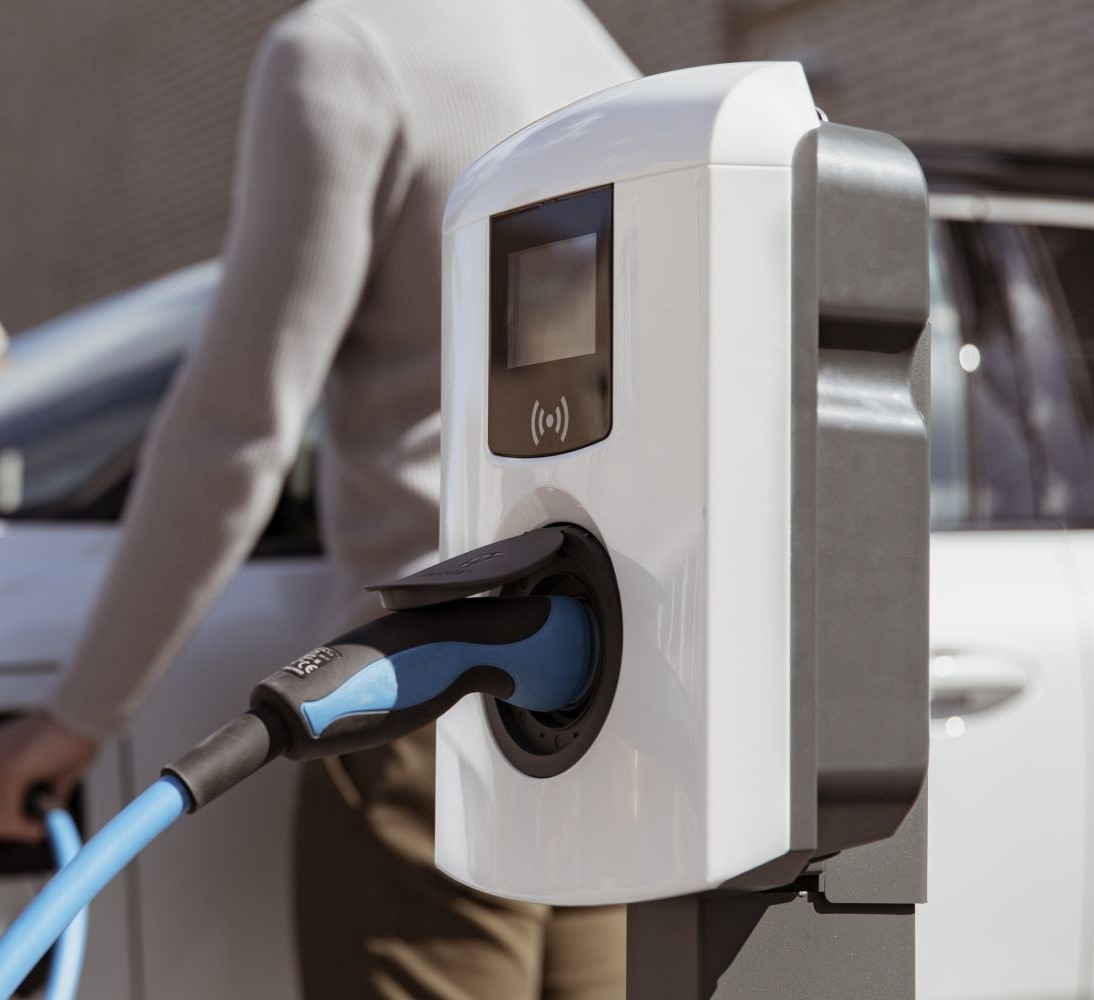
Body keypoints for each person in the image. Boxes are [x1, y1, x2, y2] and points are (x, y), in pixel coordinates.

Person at [0, 2, 637, 996]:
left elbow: (235, 431)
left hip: (421, 705)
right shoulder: (603, 61)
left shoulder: (348, 51)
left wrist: (80, 716)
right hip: (607, 696)